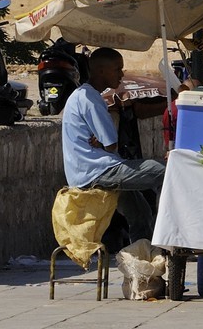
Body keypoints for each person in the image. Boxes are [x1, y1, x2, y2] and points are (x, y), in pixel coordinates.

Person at [61, 47, 166, 242]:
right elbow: (111, 144)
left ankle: (141, 262)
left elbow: (105, 142)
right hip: (98, 170)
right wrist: (103, 142)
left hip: (94, 168)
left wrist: (101, 141)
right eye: (118, 69)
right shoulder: (90, 98)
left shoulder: (83, 95)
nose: (122, 74)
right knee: (166, 170)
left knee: (141, 213)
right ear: (101, 71)